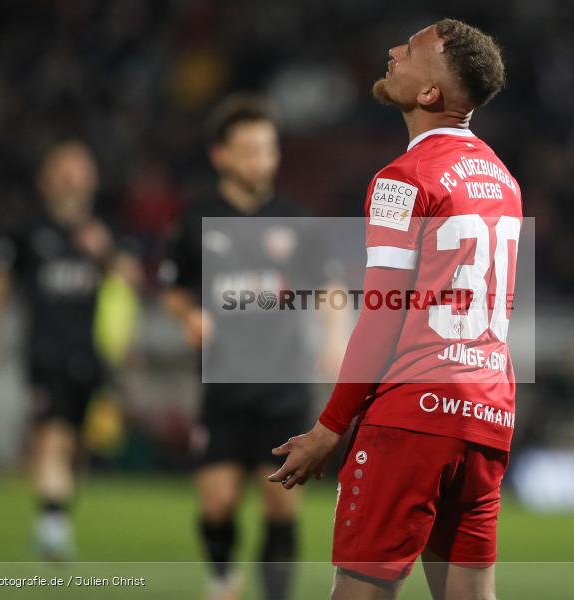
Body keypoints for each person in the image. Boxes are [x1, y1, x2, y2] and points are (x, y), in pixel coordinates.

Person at [268, 19, 520, 600]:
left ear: (430, 94)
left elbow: (381, 315)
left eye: (408, 51)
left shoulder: (401, 179)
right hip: (489, 412)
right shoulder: (503, 180)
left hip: (412, 416)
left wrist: (329, 428)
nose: (392, 52)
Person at [160, 95, 346, 600]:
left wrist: (334, 339)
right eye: (248, 150)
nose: (260, 160)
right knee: (217, 502)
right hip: (222, 385)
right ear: (221, 155)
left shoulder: (298, 220)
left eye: (268, 149)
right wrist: (188, 313)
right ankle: (223, 578)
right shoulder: (197, 218)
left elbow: (330, 288)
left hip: (284, 384)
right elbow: (174, 288)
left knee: (280, 505)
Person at [0, 139, 140, 560]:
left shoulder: (105, 230)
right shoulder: (28, 231)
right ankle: (52, 524)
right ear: (47, 178)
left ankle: (55, 517)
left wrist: (103, 253)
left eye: (80, 168)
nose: (73, 176)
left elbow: (132, 280)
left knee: (74, 445)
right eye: (65, 168)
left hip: (91, 353)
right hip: (45, 351)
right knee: (51, 437)